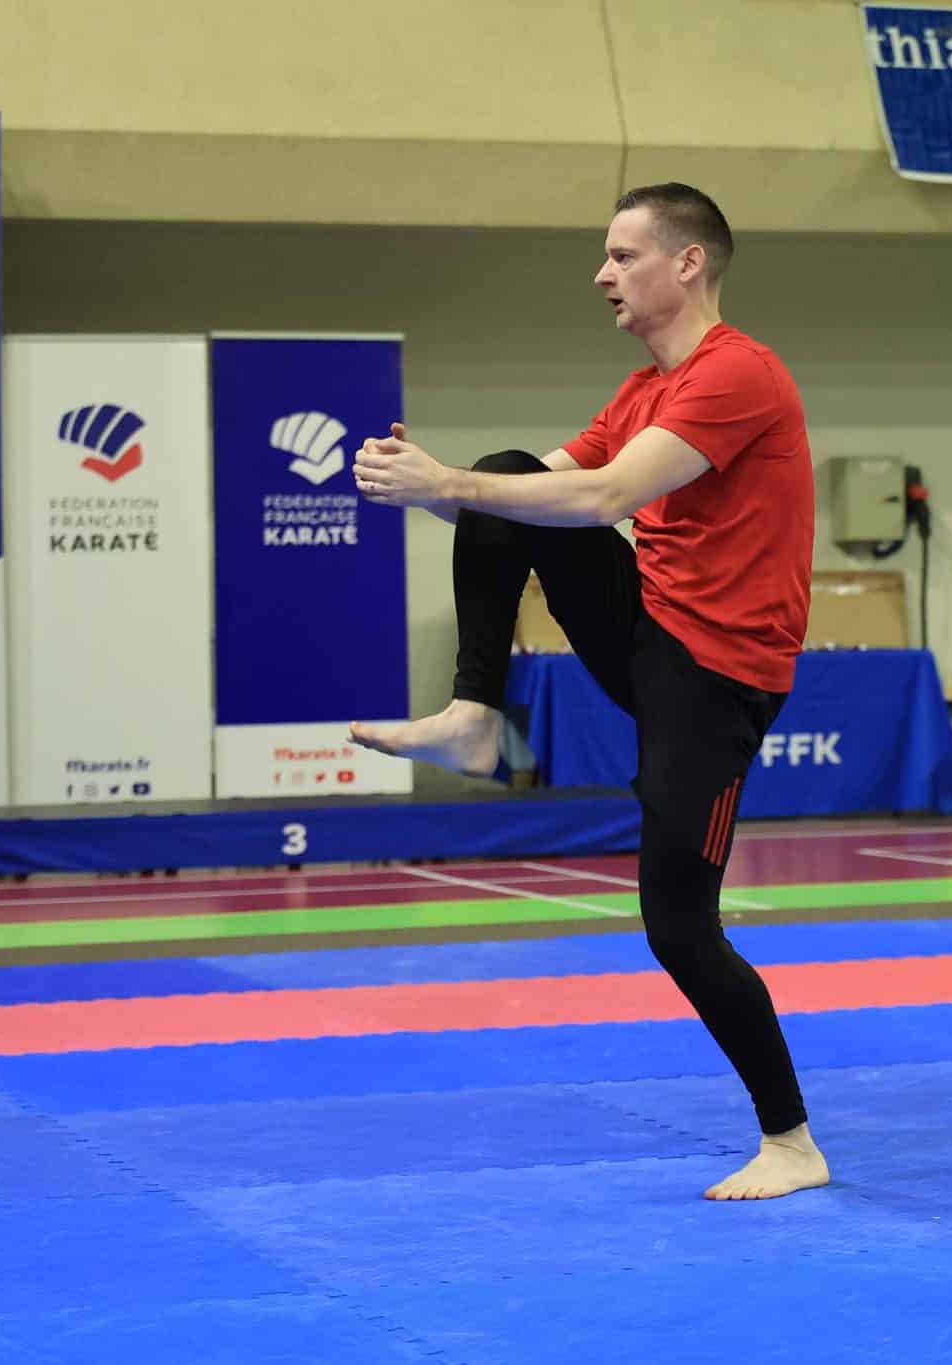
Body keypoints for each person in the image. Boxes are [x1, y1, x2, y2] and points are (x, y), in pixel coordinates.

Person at [348, 183, 827, 1201]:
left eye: (621, 255)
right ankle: (474, 716)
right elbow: (523, 499)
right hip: (649, 634)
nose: (601, 274)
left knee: (678, 928)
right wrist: (422, 483)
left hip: (718, 678)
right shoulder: (639, 389)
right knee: (503, 469)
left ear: (687, 262)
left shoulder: (736, 371)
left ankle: (791, 1141)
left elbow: (605, 495)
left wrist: (449, 484)